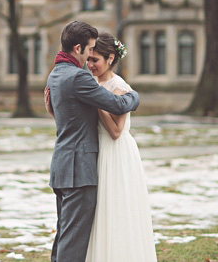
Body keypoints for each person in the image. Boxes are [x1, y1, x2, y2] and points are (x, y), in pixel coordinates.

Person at [45, 20, 140, 262]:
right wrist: (134, 96)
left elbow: (69, 117)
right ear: (77, 48)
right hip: (79, 170)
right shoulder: (79, 78)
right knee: (73, 244)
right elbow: (117, 104)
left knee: (64, 236)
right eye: (88, 49)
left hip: (62, 166)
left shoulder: (55, 74)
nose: (89, 57)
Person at [85, 32, 157, 262]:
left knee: (116, 210)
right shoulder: (94, 83)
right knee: (100, 213)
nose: (90, 64)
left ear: (110, 58)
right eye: (88, 59)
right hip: (99, 151)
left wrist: (98, 103)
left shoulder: (118, 87)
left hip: (115, 153)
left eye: (95, 60)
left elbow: (116, 131)